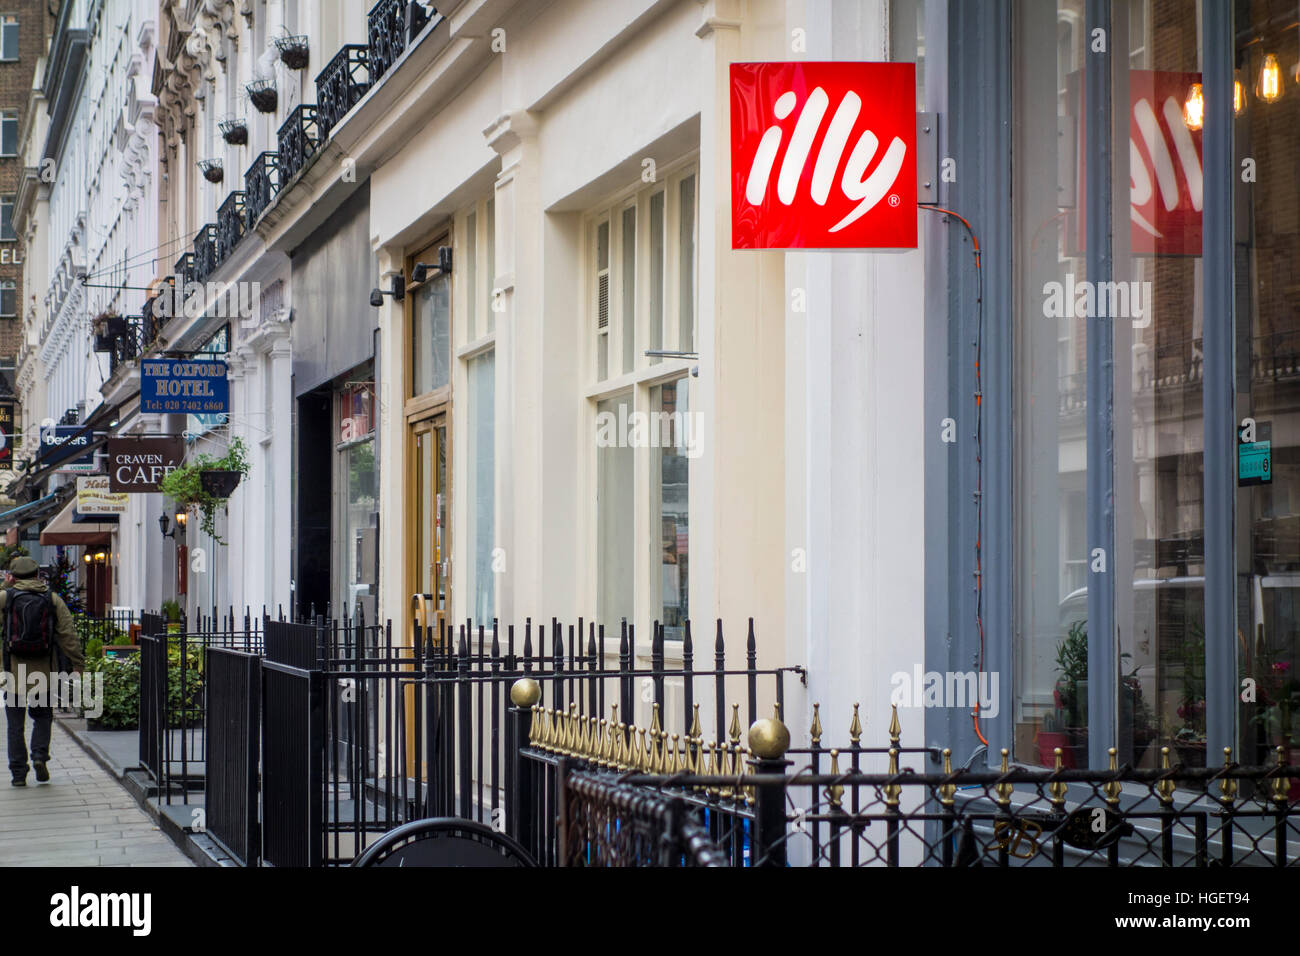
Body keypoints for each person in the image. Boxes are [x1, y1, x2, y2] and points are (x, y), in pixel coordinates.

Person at [1, 556, 83, 786]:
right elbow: (68, 634)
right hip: (44, 671)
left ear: (13, 576)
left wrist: (5, 587)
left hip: (13, 671)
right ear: (38, 575)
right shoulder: (52, 599)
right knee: (43, 717)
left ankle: (18, 773)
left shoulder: (6, 597)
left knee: (15, 724)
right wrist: (78, 663)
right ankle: (39, 755)